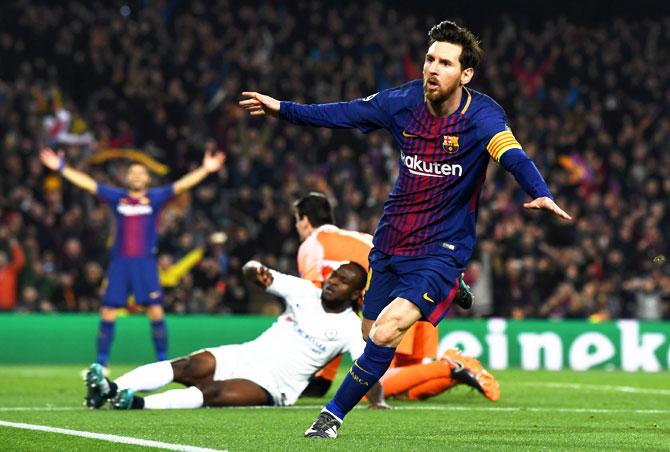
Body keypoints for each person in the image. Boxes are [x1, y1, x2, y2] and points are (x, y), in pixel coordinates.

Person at [240, 19, 571, 438]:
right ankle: (453, 289)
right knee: (368, 333)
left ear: (465, 74)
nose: (433, 68)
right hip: (393, 241)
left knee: (386, 331)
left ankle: (331, 417)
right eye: (430, 59)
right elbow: (342, 113)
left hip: (442, 248)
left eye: (445, 63)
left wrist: (538, 189)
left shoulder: (483, 116)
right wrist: (283, 109)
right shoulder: (402, 102)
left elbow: (512, 154)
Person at [83, 261, 388, 410]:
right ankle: (109, 388)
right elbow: (257, 274)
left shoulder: (351, 327)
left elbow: (367, 370)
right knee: (189, 365)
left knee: (214, 392)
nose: (333, 282)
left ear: (356, 294)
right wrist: (252, 269)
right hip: (244, 354)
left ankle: (135, 404)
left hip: (272, 384)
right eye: (334, 275)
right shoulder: (303, 290)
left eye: (343, 281)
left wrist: (378, 401)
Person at [39, 146, 225, 367]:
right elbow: (87, 184)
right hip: (120, 263)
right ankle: (101, 363)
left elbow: (182, 185)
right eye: (132, 173)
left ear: (148, 179)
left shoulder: (155, 198)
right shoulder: (118, 198)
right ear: (126, 178)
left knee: (155, 311)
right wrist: (61, 168)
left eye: (140, 173)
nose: (136, 175)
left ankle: (162, 362)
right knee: (108, 311)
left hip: (145, 263)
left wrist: (205, 169)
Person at [294, 192, 475, 400]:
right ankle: (460, 372)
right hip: (420, 295)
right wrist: (323, 378)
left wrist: (317, 375)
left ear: (305, 221)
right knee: (402, 391)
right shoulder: (356, 238)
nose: (297, 227)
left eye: (297, 220)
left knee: (366, 388)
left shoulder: (312, 245)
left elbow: (316, 306)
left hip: (393, 309)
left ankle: (449, 366)